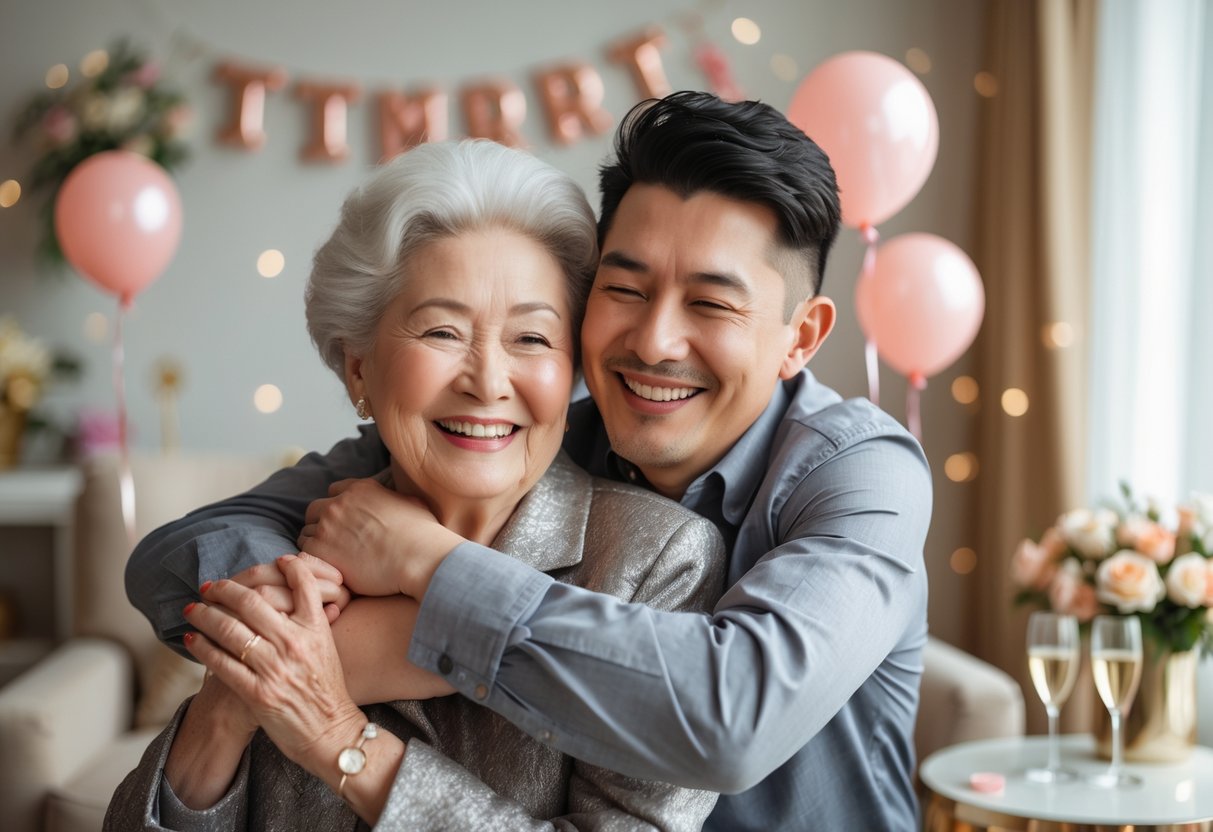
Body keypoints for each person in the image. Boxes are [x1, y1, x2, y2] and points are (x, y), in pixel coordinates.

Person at [126, 91, 932, 830]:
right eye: (625, 289)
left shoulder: (860, 476)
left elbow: (728, 720)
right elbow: (188, 548)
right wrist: (269, 643)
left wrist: (420, 582)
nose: (653, 343)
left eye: (712, 303)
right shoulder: (516, 430)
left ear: (801, 336)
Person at [106, 139, 726, 830]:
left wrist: (335, 736)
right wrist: (230, 702)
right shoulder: (291, 553)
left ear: (572, 370)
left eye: (531, 339)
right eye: (441, 331)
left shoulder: (653, 564)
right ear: (359, 369)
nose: (488, 382)